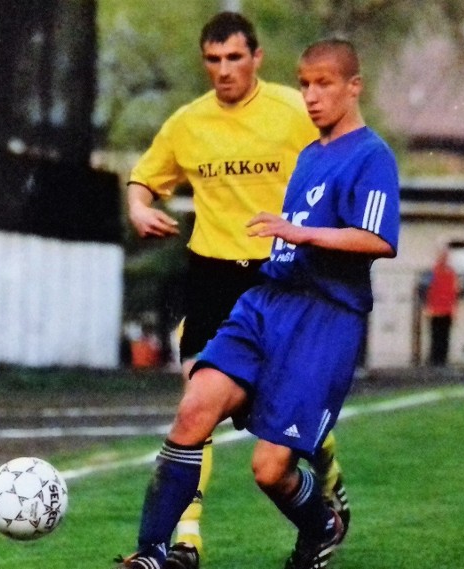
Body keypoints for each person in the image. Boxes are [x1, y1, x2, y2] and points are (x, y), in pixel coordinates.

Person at [116, 39, 400, 569]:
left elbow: (378, 239)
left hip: (324, 318)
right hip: (266, 301)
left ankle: (321, 525)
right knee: (194, 407)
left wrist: (301, 232)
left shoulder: (371, 156)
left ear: (353, 86)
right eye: (305, 84)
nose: (311, 96)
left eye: (324, 84)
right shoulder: (311, 155)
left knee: (269, 470)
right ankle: (152, 554)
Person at [424, 249, 459, 366]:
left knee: (445, 336)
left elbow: (454, 292)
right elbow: (428, 291)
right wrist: (428, 307)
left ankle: (442, 359)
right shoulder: (433, 272)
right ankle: (434, 359)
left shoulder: (451, 273)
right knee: (435, 335)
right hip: (435, 310)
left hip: (446, 310)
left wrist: (454, 308)